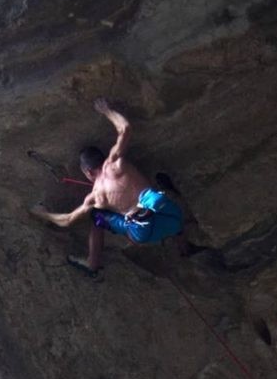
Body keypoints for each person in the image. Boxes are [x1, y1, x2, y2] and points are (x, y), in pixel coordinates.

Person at [30, 98, 183, 277]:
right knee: (157, 197)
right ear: (103, 158)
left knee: (97, 216)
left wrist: (40, 212)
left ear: (87, 172)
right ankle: (184, 247)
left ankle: (92, 263)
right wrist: (106, 110)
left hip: (143, 234)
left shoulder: (96, 197)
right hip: (172, 219)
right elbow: (125, 128)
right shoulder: (116, 163)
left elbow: (68, 220)